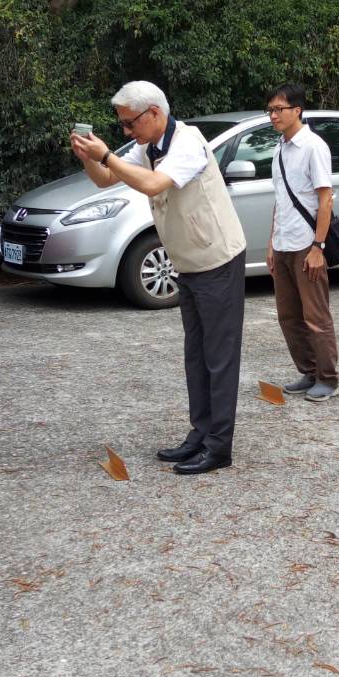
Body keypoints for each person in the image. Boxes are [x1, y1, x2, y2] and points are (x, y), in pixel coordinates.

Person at [72, 81, 247, 474]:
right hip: (188, 263)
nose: (125, 132)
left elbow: (152, 183)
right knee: (196, 357)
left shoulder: (187, 142)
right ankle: (200, 434)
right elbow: (105, 178)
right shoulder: (148, 146)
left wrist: (108, 157)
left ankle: (220, 447)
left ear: (154, 113)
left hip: (217, 260)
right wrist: (88, 156)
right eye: (121, 125)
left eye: (129, 123)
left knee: (219, 359)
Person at [265, 83, 339, 403]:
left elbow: (325, 201)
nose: (273, 116)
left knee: (316, 317)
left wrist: (317, 247)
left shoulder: (313, 146)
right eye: (270, 110)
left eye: (278, 109)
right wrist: (271, 242)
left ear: (297, 110)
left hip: (306, 244)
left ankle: (328, 378)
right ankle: (308, 371)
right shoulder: (280, 148)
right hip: (283, 243)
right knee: (289, 316)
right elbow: (281, 200)